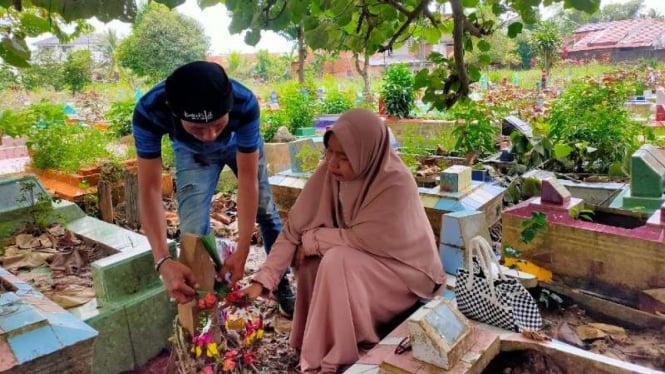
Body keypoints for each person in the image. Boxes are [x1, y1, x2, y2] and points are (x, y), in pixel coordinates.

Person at [243, 108, 446, 372]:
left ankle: (343, 352)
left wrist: (314, 239)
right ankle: (315, 343)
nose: (333, 162)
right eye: (330, 152)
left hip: (405, 274)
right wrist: (261, 282)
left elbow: (366, 239)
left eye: (344, 156)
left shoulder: (396, 183)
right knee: (312, 262)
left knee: (336, 259)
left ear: (366, 153)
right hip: (361, 262)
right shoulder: (330, 174)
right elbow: (293, 230)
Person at [131, 61, 295, 317]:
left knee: (265, 210)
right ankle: (208, 300)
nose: (210, 136)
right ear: (175, 115)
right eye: (198, 127)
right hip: (190, 152)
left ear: (229, 107)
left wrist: (242, 251)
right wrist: (162, 260)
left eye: (218, 124)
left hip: (239, 144)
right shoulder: (150, 110)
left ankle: (279, 280)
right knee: (193, 230)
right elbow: (150, 189)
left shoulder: (244, 102)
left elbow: (248, 180)